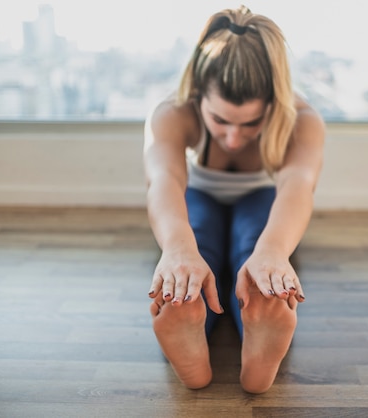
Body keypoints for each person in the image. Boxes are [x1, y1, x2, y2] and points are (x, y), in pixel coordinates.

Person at [143, 5, 325, 394]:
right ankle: (187, 327)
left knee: (253, 250)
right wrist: (177, 250)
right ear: (198, 98)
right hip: (199, 195)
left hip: (262, 199)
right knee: (199, 242)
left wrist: (274, 252)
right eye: (220, 121)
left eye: (251, 124)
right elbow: (163, 181)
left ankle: (261, 336)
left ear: (273, 106)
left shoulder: (303, 119)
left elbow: (298, 186)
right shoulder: (171, 113)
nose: (232, 138)